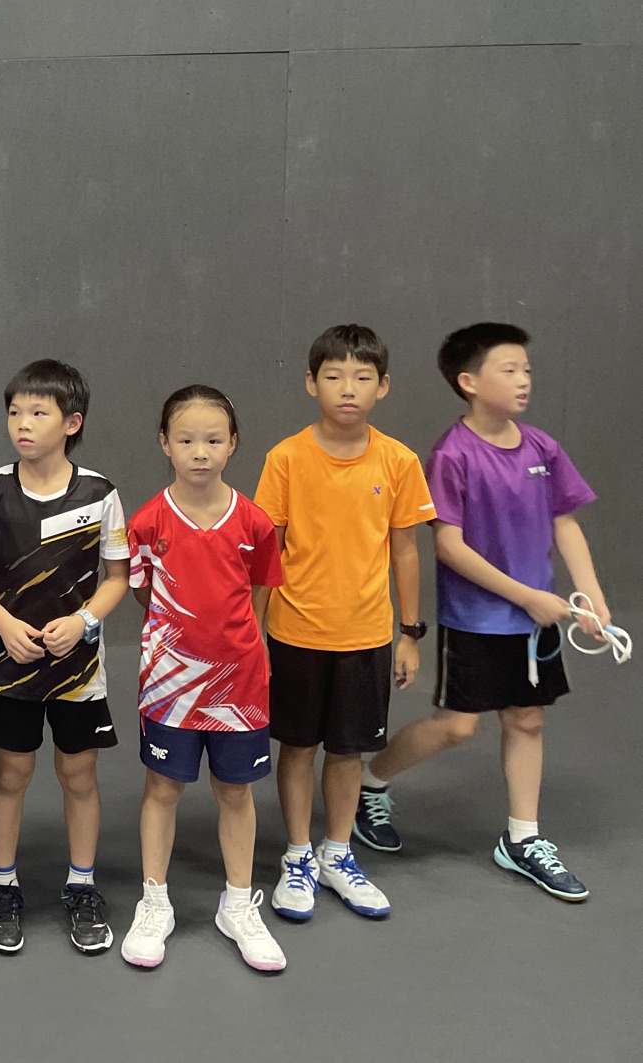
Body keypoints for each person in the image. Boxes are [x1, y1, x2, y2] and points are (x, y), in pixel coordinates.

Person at [352, 324, 610, 900]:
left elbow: (564, 521)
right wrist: (524, 595)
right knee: (457, 726)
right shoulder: (452, 455)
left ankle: (522, 838)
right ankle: (370, 784)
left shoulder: (542, 448)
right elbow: (448, 546)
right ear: (468, 382)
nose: (523, 380)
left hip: (534, 623)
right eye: (509, 370)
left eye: (526, 370)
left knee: (527, 720)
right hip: (476, 619)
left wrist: (589, 593)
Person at [0, 359, 129, 956]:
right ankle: (3, 886)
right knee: (11, 774)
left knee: (79, 775)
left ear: (72, 422)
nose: (22, 423)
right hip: (12, 664)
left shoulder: (100, 493)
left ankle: (82, 885)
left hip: (79, 667)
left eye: (38, 413)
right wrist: (3, 624)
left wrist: (84, 622)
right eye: (14, 412)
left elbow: (117, 577)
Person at [254, 325, 435, 924]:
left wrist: (410, 633)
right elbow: (268, 551)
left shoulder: (399, 460)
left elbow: (405, 550)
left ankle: (338, 853)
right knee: (298, 746)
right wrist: (252, 630)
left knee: (348, 750)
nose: (348, 388)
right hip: (295, 632)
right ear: (312, 383)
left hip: (366, 635)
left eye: (362, 377)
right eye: (334, 376)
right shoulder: (286, 458)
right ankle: (298, 856)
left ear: (383, 386)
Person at [121, 386, 286, 972]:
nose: (200, 452)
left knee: (235, 791)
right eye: (186, 439)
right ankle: (154, 902)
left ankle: (237, 905)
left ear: (233, 444)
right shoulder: (147, 522)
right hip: (170, 683)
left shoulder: (255, 521)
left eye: (213, 440)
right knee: (163, 788)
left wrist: (244, 643)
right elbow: (142, 591)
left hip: (240, 685)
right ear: (164, 443)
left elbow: (261, 588)